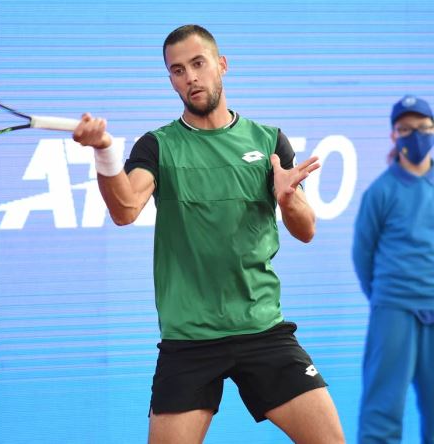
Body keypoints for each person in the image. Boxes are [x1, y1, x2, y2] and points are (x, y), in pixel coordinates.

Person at [73, 24, 344, 443]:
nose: (191, 77)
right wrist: (104, 152)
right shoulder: (157, 146)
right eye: (177, 70)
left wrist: (288, 199)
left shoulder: (269, 141)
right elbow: (125, 210)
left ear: (222, 65)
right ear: (170, 79)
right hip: (190, 339)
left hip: (262, 329)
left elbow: (305, 230)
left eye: (198, 64)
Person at [353, 95, 434, 444]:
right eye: (406, 129)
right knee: (382, 411)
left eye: (424, 128)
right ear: (393, 136)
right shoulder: (380, 192)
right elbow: (363, 255)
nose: (416, 136)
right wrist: (388, 298)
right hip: (394, 311)